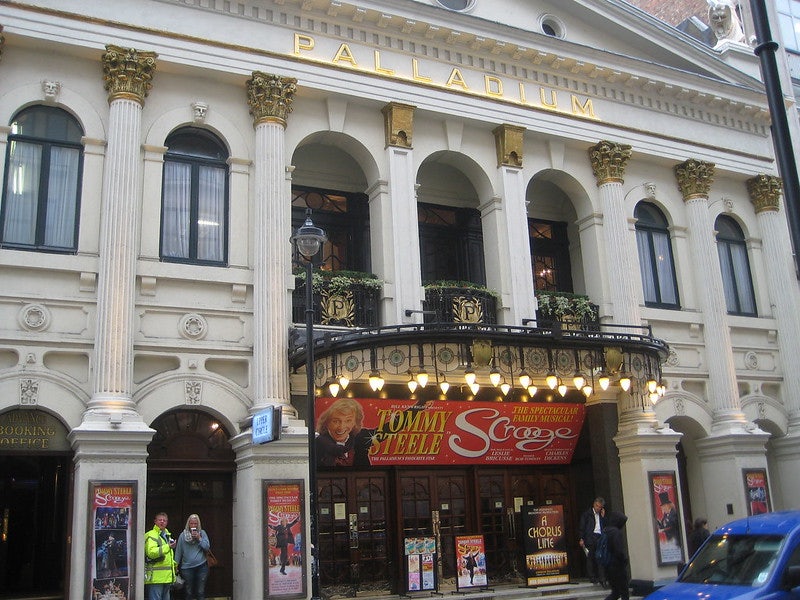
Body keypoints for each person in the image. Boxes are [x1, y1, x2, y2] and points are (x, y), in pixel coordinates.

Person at [315, 398, 373, 467]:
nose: (341, 427)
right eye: (336, 421)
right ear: (326, 423)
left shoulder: (359, 441)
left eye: (348, 421)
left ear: (355, 423)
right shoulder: (318, 444)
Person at [175, 514, 211, 600]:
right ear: (188, 524)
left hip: (201, 566)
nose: (193, 526)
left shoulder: (202, 533)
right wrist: (175, 565)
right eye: (191, 523)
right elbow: (179, 551)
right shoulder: (183, 535)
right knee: (188, 592)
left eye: (195, 524)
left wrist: (199, 538)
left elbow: (207, 547)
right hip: (187, 568)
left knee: (200, 591)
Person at [144, 512, 177, 600]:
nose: (162, 522)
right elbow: (151, 552)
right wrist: (168, 546)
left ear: (167, 522)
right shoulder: (151, 535)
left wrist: (173, 564)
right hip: (155, 577)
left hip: (166, 577)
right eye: (160, 520)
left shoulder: (167, 535)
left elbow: (167, 555)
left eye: (164, 520)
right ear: (155, 521)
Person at [602, 511, 630, 600]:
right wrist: (625, 560)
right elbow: (619, 551)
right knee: (624, 592)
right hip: (618, 567)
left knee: (615, 592)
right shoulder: (616, 533)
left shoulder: (605, 530)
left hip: (608, 566)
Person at [579, 497, 606, 585]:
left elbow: (604, 526)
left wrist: (603, 517)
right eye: (596, 506)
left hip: (599, 537)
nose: (597, 508)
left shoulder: (601, 515)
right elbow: (582, 527)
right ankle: (592, 577)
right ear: (594, 504)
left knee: (600, 557)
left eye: (599, 507)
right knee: (590, 558)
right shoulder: (587, 514)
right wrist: (581, 538)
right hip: (590, 537)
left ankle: (602, 577)